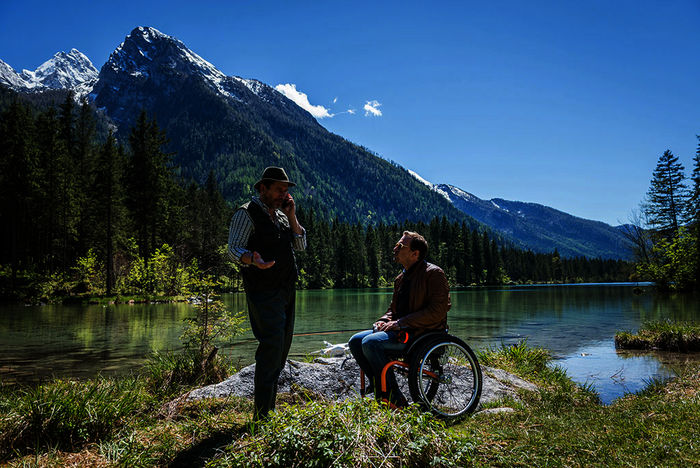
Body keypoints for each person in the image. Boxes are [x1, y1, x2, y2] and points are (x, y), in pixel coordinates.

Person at [227, 166, 306, 420]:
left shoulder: (282, 216)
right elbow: (233, 249)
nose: (284, 194)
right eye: (279, 190)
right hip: (263, 291)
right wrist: (252, 258)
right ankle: (262, 416)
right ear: (263, 188)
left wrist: (292, 216)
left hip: (286, 290)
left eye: (286, 190)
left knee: (281, 348)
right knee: (271, 345)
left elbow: (301, 245)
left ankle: (267, 411)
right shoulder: (246, 213)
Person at [348, 231, 450, 407]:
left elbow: (438, 311)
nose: (395, 249)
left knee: (370, 343)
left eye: (400, 246)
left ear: (415, 254)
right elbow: (393, 311)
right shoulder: (400, 279)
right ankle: (380, 386)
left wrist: (401, 323)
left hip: (422, 334)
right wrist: (383, 320)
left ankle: (393, 397)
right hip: (402, 330)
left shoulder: (434, 274)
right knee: (356, 341)